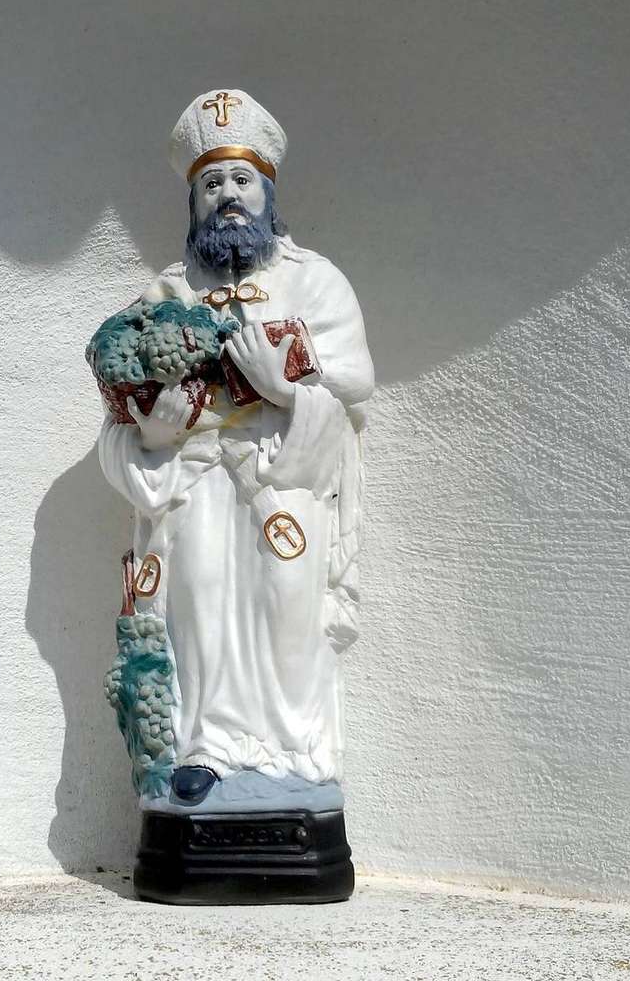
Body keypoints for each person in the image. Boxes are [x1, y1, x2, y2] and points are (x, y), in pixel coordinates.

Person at [97, 89, 374, 811]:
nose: (228, 196)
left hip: (282, 481)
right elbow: (120, 418)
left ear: (267, 194)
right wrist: (155, 432)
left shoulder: (315, 280)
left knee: (287, 609)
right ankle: (207, 748)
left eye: (242, 180)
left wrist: (282, 389)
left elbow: (351, 391)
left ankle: (295, 756)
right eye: (212, 183)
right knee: (202, 602)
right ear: (193, 202)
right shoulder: (165, 292)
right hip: (197, 486)